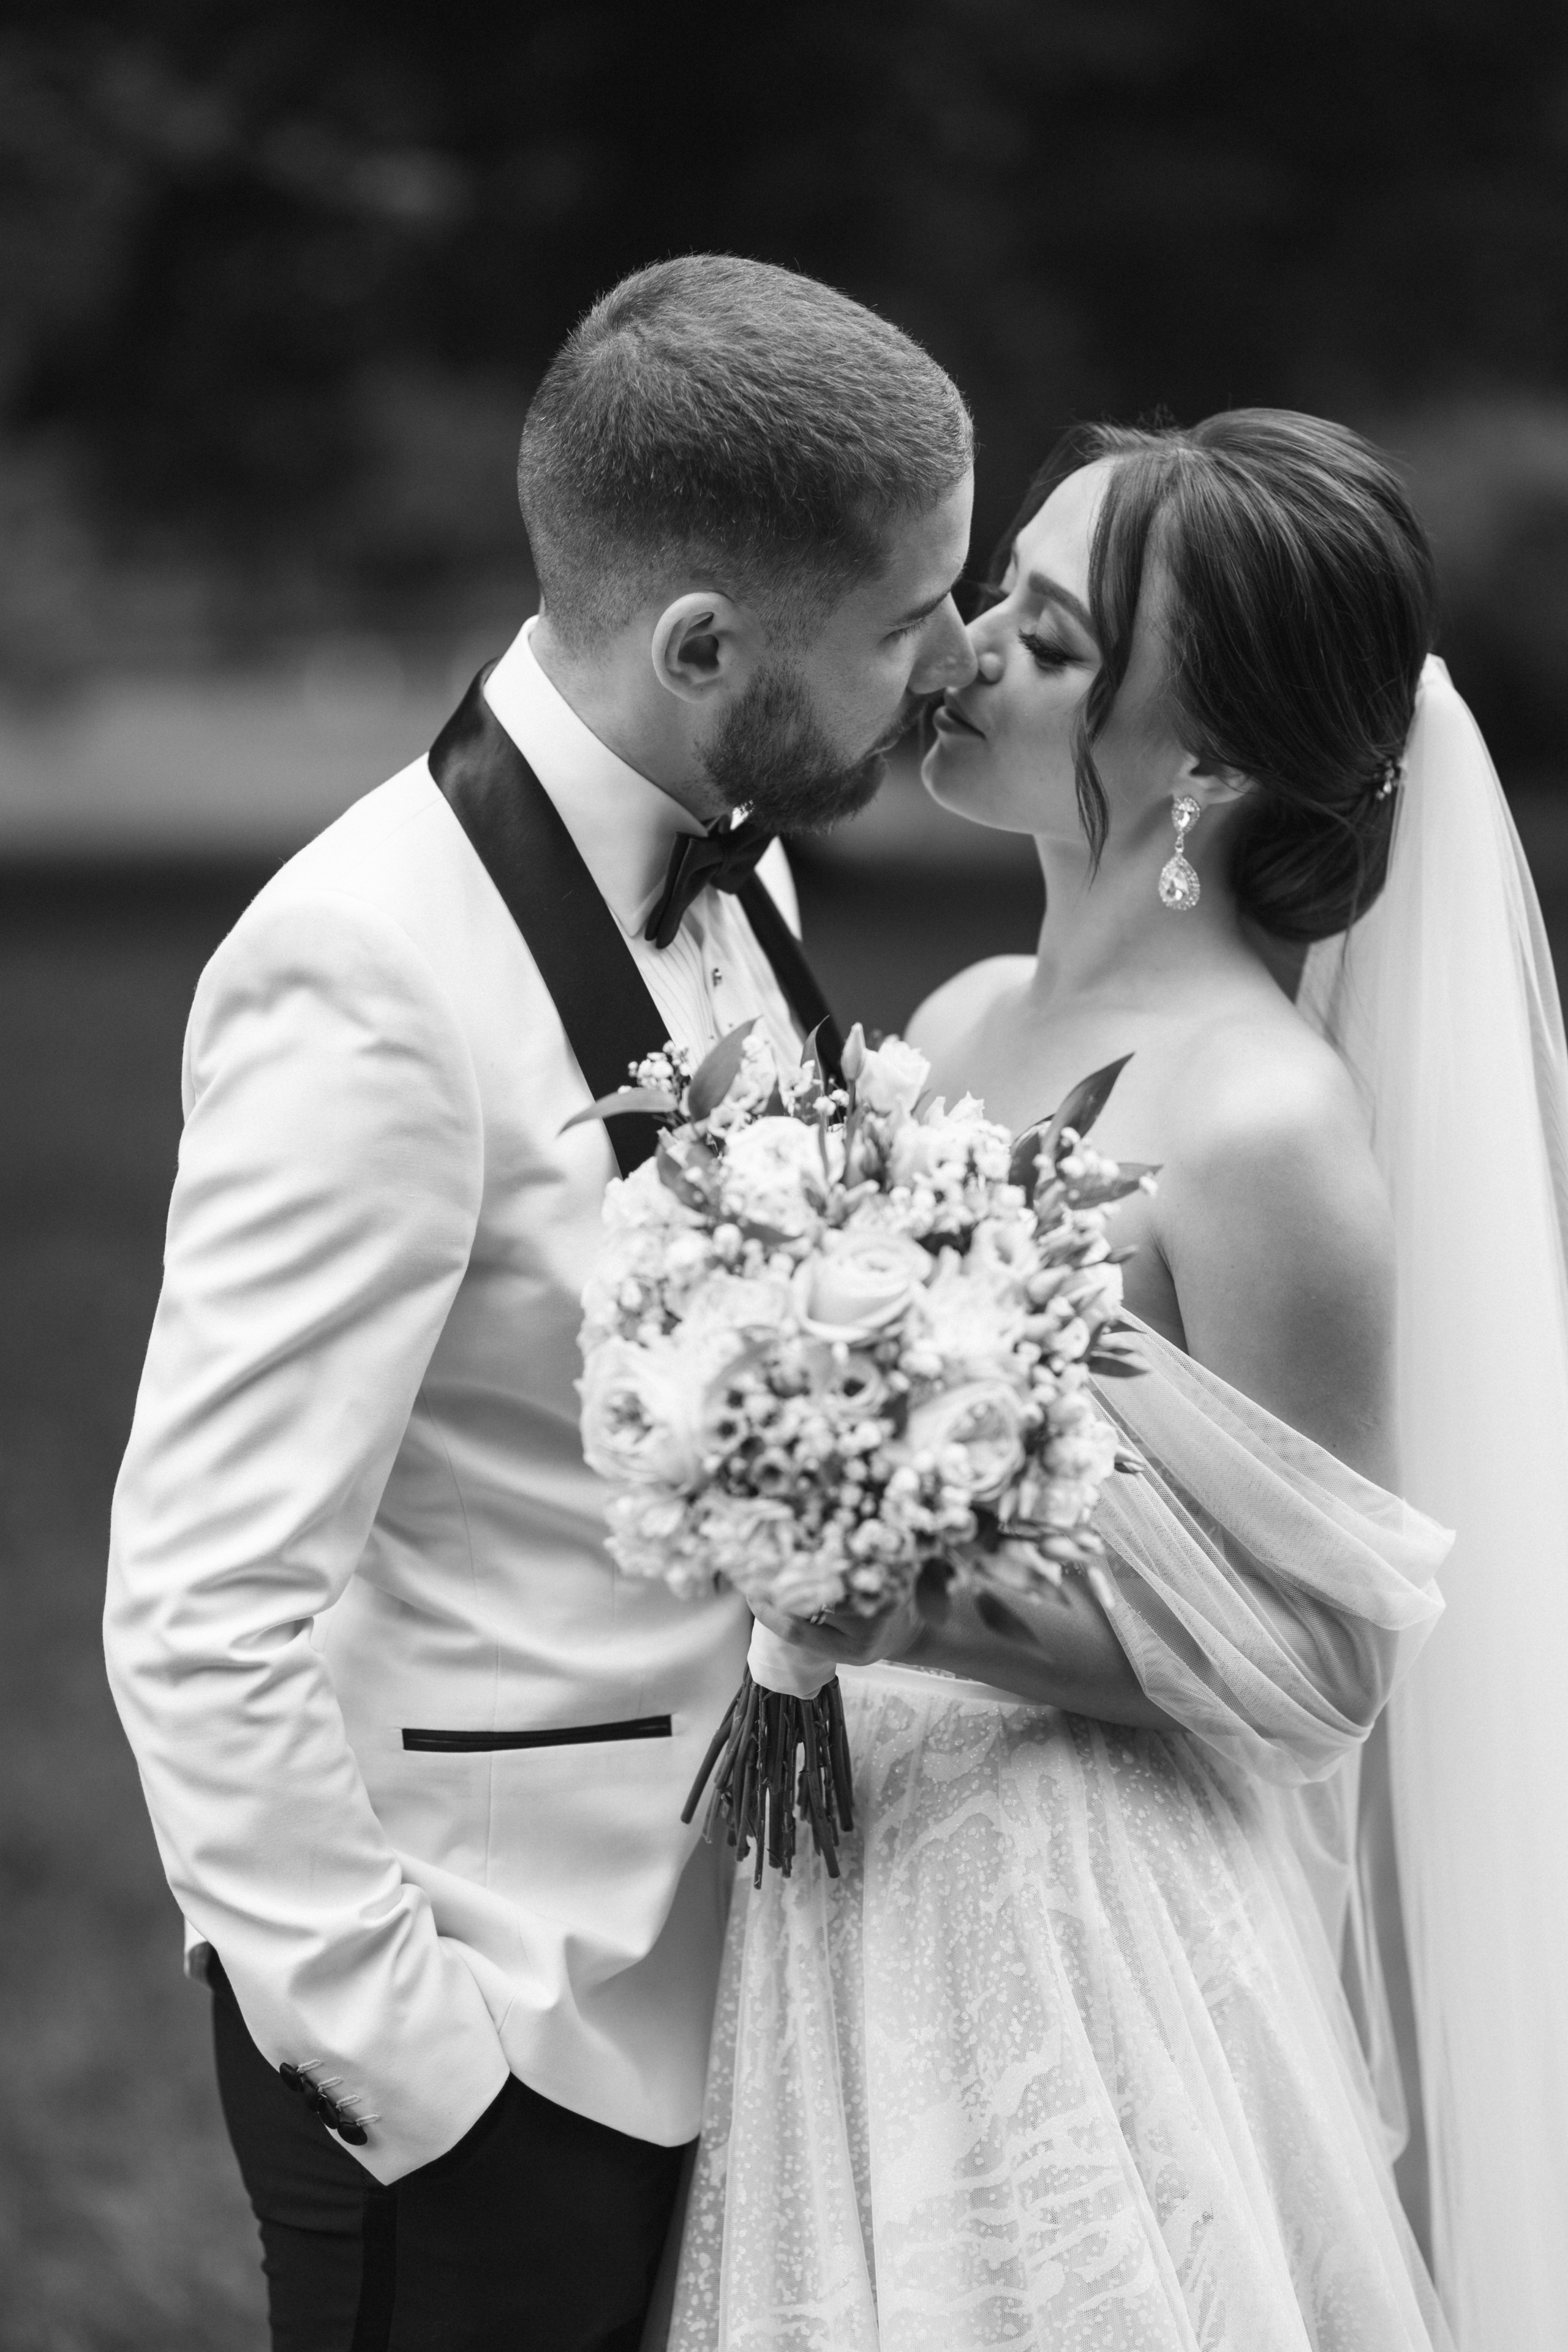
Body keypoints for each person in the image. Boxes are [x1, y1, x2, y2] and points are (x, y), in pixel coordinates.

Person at [101, 253, 977, 2352]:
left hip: (750, 1993)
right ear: (701, 644)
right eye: (903, 618)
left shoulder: (739, 858)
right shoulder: (367, 974)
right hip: (495, 2042)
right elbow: (199, 1606)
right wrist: (414, 2080)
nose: (955, 661)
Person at [669, 412, 1568, 2349]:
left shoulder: (1260, 1123)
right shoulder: (971, 1019)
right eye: (1004, 593)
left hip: (1079, 1929)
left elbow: (1329, 1659)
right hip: (861, 1880)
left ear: (1213, 768)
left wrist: (885, 1595)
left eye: (1055, 642)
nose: (971, 646)